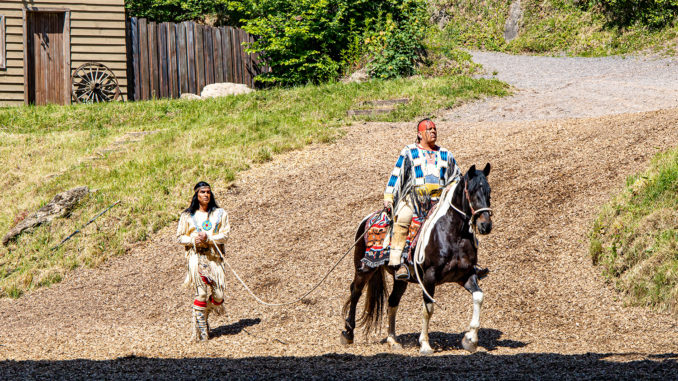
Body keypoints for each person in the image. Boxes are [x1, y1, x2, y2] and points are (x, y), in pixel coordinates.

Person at [383, 118, 461, 280]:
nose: (433, 131)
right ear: (420, 134)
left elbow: (457, 177)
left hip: (439, 202)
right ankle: (399, 263)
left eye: (435, 129)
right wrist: (389, 197)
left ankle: (465, 261)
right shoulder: (409, 151)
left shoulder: (446, 154)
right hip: (413, 200)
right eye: (429, 129)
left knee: (459, 221)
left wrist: (450, 187)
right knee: (403, 219)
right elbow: (396, 174)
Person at [176, 181, 230, 341]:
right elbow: (180, 237)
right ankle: (201, 331)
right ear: (196, 195)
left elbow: (225, 235)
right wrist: (194, 240)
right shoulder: (187, 216)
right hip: (196, 257)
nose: (206, 195)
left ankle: (205, 312)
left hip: (215, 258)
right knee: (201, 293)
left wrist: (210, 237)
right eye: (202, 192)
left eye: (208, 192)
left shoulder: (220, 214)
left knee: (219, 295)